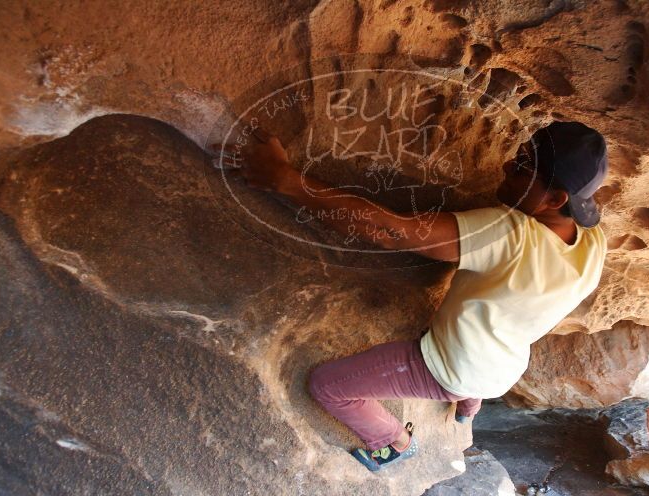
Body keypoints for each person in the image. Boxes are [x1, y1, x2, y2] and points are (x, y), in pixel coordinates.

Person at [220, 121, 608, 472]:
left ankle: (392, 443)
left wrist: (285, 180)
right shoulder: (592, 244)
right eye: (520, 154)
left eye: (523, 166)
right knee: (479, 370)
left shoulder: (510, 234)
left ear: (556, 199)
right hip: (504, 366)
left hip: (452, 367)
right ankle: (467, 408)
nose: (508, 166)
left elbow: (391, 231)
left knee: (327, 386)